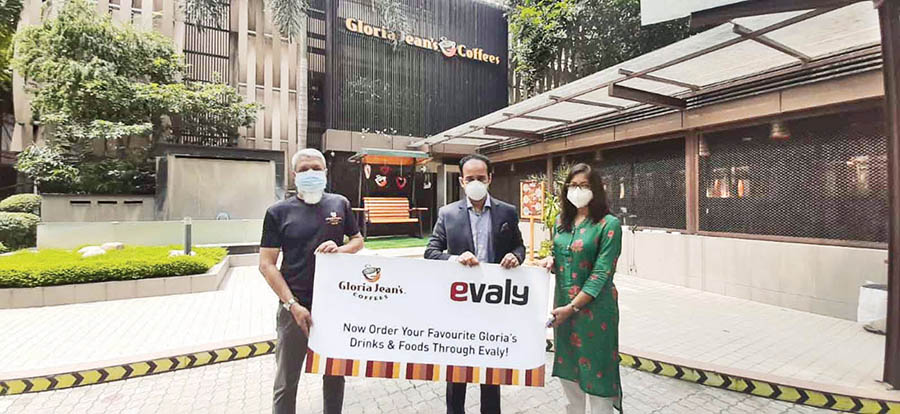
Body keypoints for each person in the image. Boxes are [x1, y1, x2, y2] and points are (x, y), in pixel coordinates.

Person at [259, 148, 364, 414]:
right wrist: (292, 305)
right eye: (304, 169)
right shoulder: (277, 212)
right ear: (294, 174)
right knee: (286, 381)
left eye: (316, 168)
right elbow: (266, 264)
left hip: (333, 306)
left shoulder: (339, 204)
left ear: (326, 172)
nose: (311, 173)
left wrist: (340, 250)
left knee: (335, 375)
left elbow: (358, 240)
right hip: (294, 308)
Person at [425, 153, 526, 414]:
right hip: (460, 304)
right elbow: (431, 252)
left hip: (494, 303)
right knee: (457, 374)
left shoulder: (507, 211)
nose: (476, 183)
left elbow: (519, 246)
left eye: (481, 177)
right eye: (470, 178)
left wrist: (515, 256)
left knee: (491, 373)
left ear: (490, 178)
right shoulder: (448, 213)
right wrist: (455, 259)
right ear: (461, 181)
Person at [538, 163, 623, 414]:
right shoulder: (561, 222)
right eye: (573, 185)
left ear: (595, 189)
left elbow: (601, 273)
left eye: (584, 185)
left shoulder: (608, 224)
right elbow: (563, 257)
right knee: (569, 371)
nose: (578, 190)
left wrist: (572, 308)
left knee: (598, 373)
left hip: (595, 313)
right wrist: (551, 261)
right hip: (563, 310)